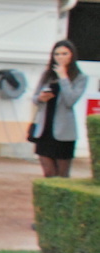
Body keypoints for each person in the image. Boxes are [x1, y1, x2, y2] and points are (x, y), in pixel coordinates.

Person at [28, 39, 88, 178]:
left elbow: (70, 100)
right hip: (44, 129)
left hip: (64, 132)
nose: (60, 57)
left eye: (64, 53)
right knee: (48, 173)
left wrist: (63, 77)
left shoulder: (80, 77)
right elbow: (34, 98)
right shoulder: (47, 75)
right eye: (57, 54)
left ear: (72, 55)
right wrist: (40, 98)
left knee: (62, 175)